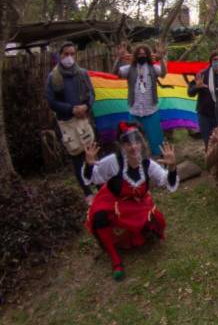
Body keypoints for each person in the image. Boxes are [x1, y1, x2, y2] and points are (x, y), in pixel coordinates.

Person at [82, 122, 178, 280]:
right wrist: (88, 164)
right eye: (128, 143)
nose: (133, 147)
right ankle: (115, 260)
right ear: (121, 145)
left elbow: (166, 181)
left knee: (157, 223)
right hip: (113, 202)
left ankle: (137, 233)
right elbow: (93, 177)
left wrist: (173, 167)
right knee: (99, 217)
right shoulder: (113, 162)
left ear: (142, 142)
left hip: (138, 204)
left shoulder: (147, 164)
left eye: (137, 142)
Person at [45, 41, 96, 204]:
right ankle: (87, 192)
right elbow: (51, 102)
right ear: (60, 55)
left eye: (72, 54)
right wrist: (70, 109)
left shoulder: (82, 73)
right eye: (66, 54)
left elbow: (92, 94)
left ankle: (99, 185)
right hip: (66, 122)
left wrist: (86, 106)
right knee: (76, 156)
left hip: (83, 120)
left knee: (91, 152)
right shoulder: (54, 77)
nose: (69, 57)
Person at [117, 43, 168, 156]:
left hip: (151, 110)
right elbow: (117, 73)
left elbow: (163, 73)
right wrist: (119, 58)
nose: (142, 56)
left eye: (144, 54)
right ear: (135, 55)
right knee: (134, 141)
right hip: (134, 111)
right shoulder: (129, 69)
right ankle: (139, 162)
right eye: (139, 54)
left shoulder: (153, 68)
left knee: (156, 141)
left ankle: (160, 163)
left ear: (148, 55)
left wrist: (162, 58)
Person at [187, 52, 218, 149]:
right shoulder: (202, 75)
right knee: (208, 140)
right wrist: (197, 87)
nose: (217, 62)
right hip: (204, 114)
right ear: (210, 62)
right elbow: (190, 93)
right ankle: (210, 157)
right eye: (215, 60)